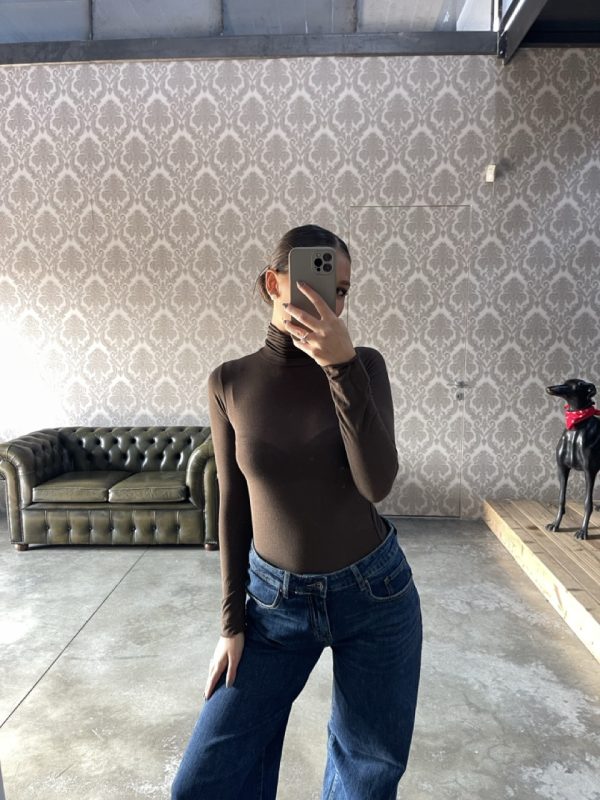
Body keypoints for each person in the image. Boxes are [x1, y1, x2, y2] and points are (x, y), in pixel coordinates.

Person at [171, 224, 423, 800]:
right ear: (273, 282)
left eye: (341, 291)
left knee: (364, 781)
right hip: (273, 606)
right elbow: (233, 502)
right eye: (317, 282)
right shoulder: (229, 382)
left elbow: (376, 483)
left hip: (376, 597)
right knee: (201, 784)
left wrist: (341, 367)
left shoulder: (366, 366)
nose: (331, 301)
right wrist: (231, 623)